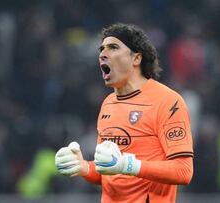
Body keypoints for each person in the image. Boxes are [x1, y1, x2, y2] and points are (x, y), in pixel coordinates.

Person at [55, 23, 194, 203]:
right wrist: (83, 167)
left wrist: (129, 165)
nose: (102, 54)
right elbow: (108, 172)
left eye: (113, 47)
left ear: (136, 58)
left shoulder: (167, 101)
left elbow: (183, 171)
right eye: (102, 48)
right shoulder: (108, 104)